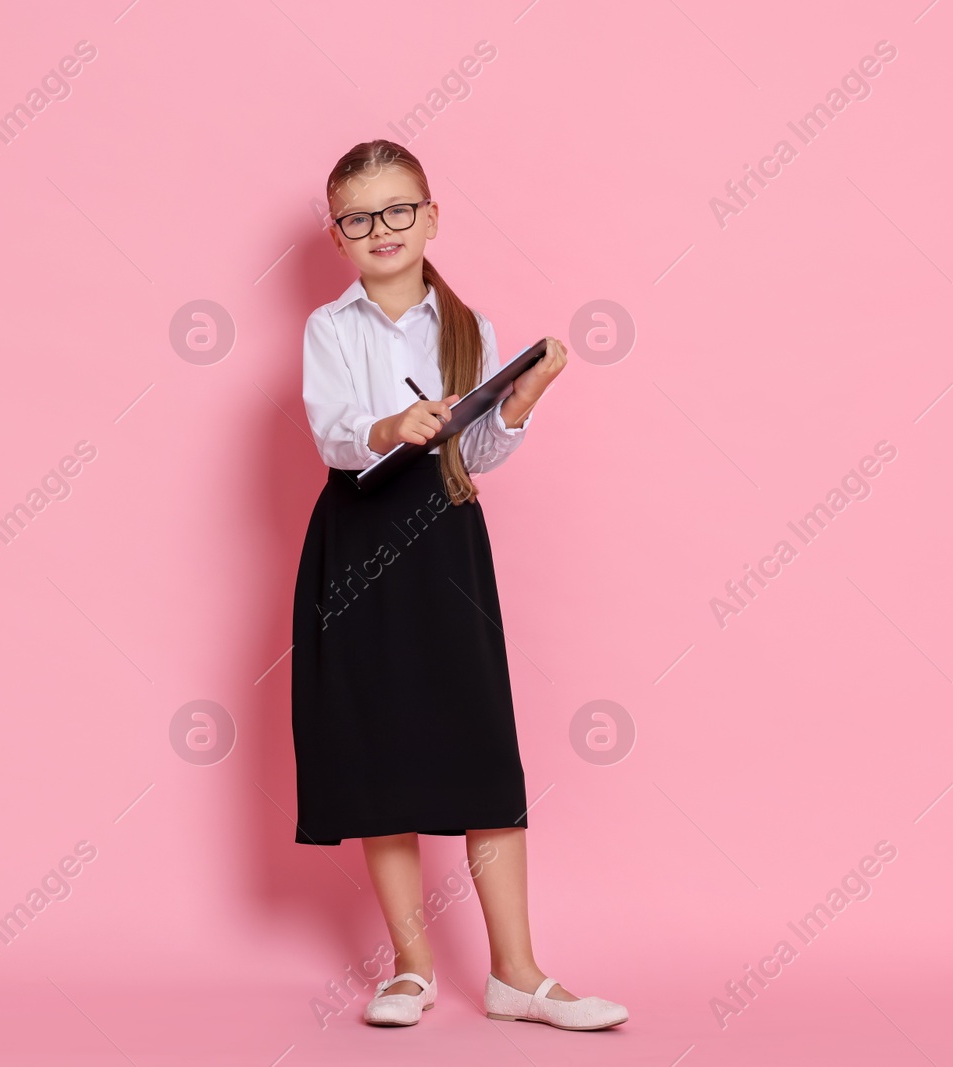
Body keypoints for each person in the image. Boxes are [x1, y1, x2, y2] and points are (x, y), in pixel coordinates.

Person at [290, 139, 628, 1032]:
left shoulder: (464, 325)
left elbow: (474, 452)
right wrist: (397, 421)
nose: (383, 229)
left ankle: (517, 972)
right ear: (339, 236)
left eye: (399, 210)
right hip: (358, 544)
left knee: (481, 745)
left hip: (446, 544)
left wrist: (524, 395)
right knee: (377, 752)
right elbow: (332, 433)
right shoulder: (331, 328)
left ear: (431, 217)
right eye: (360, 218)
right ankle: (411, 967)